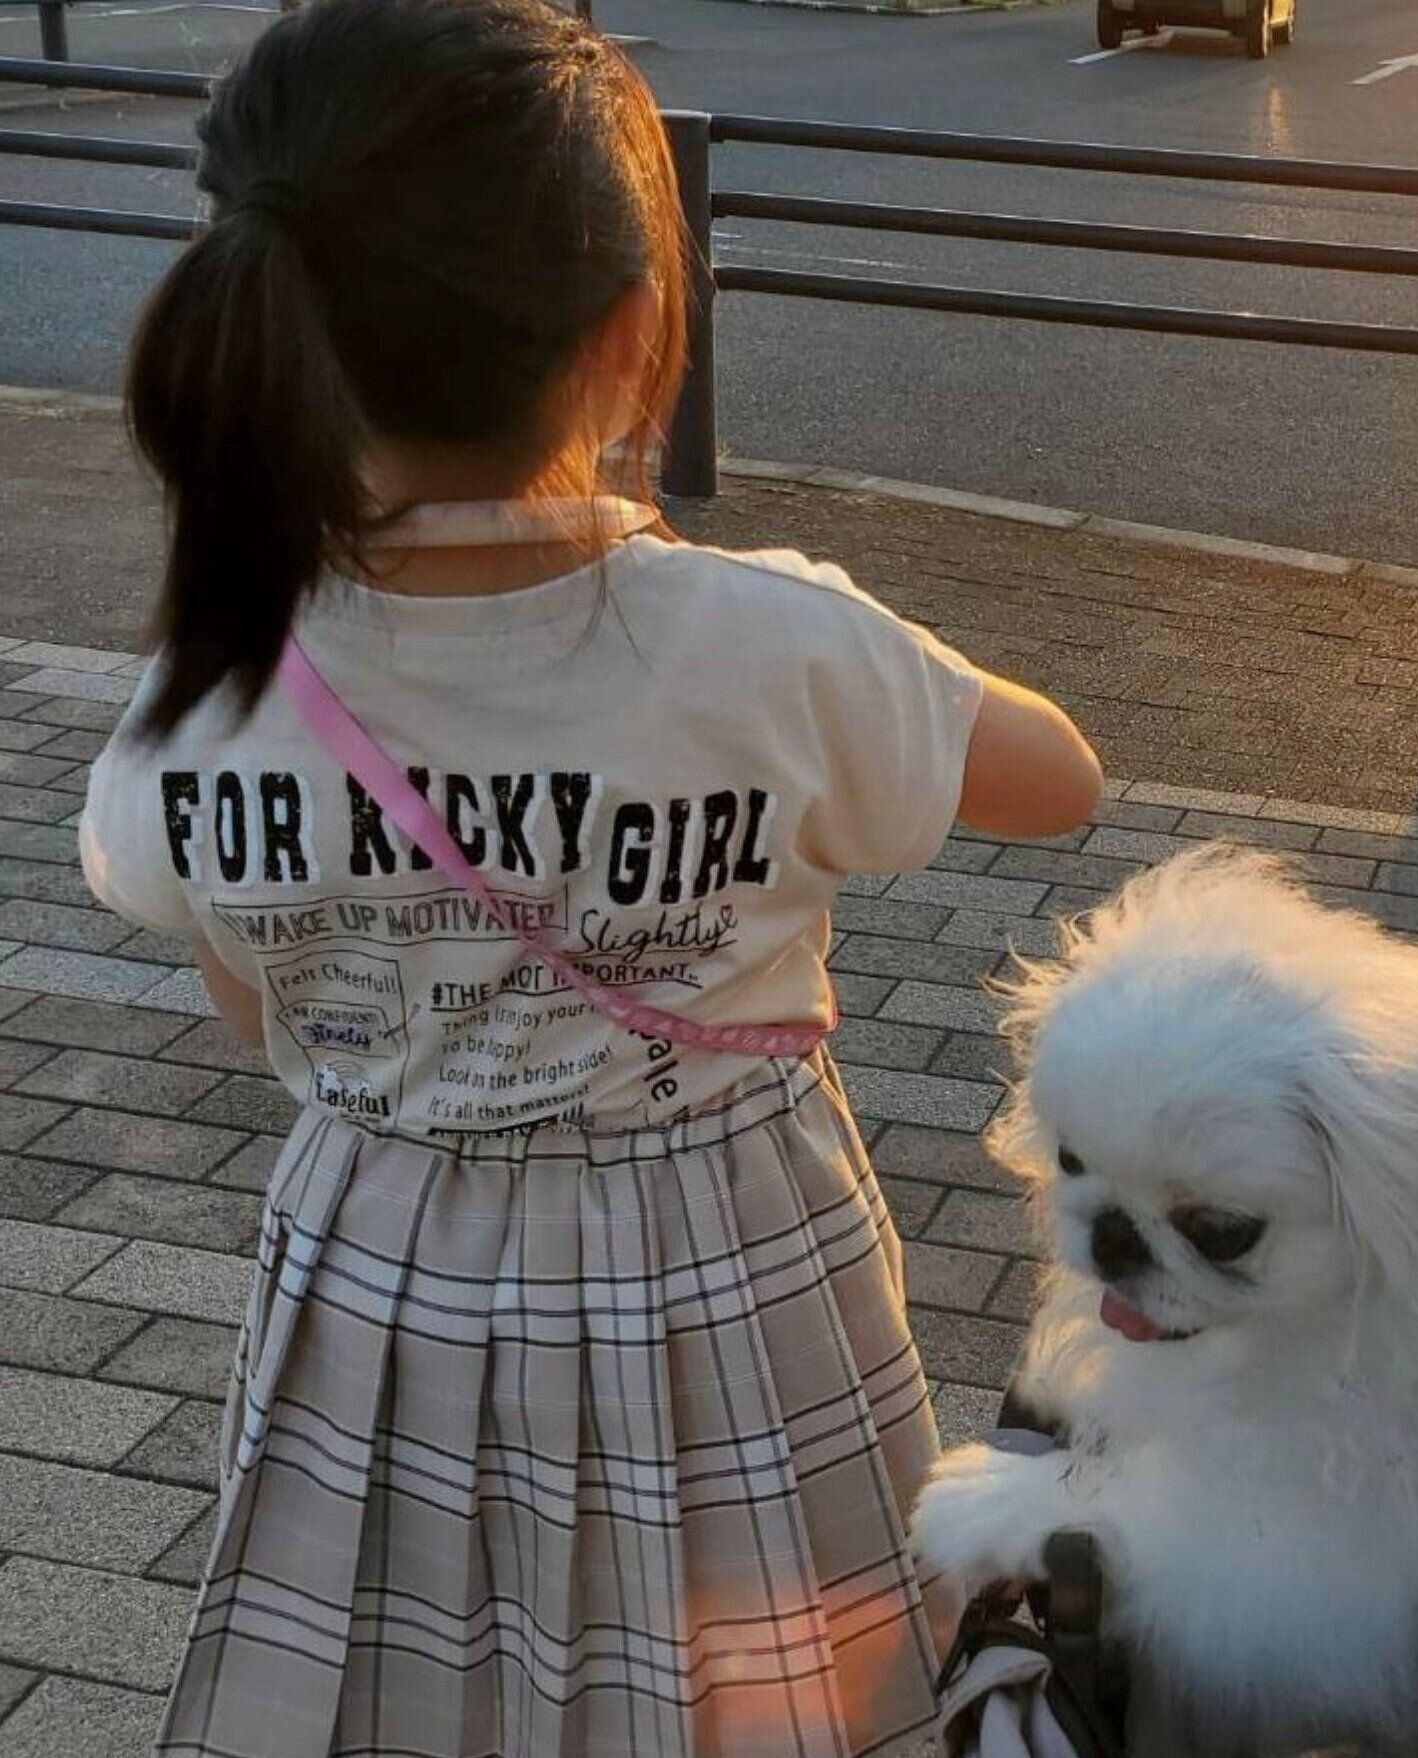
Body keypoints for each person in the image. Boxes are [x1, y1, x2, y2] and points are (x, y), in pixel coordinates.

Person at [78, 2, 1103, 1753]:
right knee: (773, 1668)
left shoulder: (214, 689)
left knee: (414, 1658)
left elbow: (248, 998)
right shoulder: (768, 643)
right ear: (630, 331)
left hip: (380, 1251)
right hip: (733, 1241)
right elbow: (1057, 779)